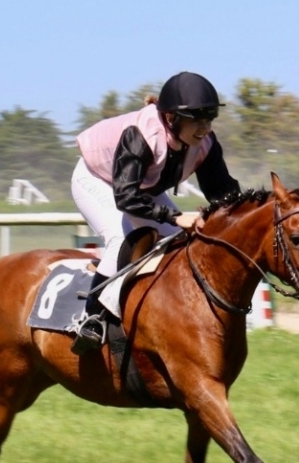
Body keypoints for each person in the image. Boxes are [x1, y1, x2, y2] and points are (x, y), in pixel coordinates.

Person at [69, 71, 241, 355]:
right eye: (197, 119)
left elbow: (224, 194)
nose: (205, 127)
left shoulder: (205, 144)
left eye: (209, 118)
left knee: (180, 243)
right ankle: (92, 319)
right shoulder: (142, 135)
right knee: (122, 241)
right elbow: (126, 197)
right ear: (173, 118)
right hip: (96, 178)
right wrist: (175, 217)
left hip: (139, 187)